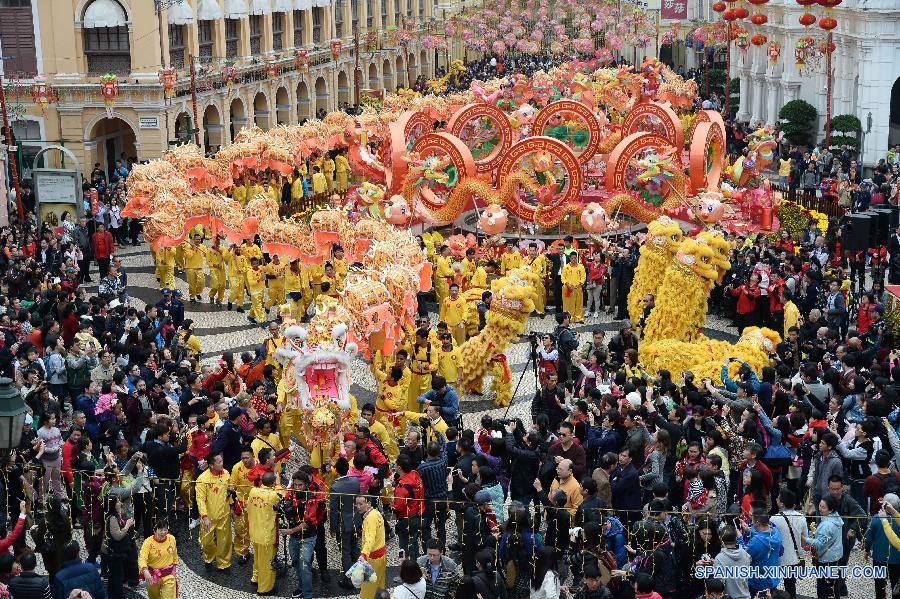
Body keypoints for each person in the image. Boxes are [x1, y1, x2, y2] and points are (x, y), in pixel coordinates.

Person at [195, 453, 233, 572]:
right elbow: (200, 500)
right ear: (211, 465)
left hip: (224, 515)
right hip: (209, 518)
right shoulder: (203, 479)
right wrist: (204, 517)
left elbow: (229, 491)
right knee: (206, 542)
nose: (222, 463)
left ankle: (224, 563)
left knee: (225, 541)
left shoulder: (226, 474)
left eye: (222, 461)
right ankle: (209, 557)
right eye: (219, 462)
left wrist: (231, 507)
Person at [247, 471, 282, 595]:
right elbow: (282, 495)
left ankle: (256, 578)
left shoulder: (253, 491)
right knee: (267, 563)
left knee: (257, 558)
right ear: (272, 483)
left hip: (255, 532)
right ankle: (264, 588)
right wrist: (278, 484)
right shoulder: (273, 495)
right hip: (266, 535)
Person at [803, 495, 844, 599]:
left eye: (823, 507)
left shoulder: (827, 525)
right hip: (836, 556)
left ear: (830, 509)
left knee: (823, 587)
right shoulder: (836, 517)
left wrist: (805, 539)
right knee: (833, 585)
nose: (820, 508)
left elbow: (819, 543)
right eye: (820, 506)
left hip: (827, 559)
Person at [357, 493, 388, 599]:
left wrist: (363, 554)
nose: (358, 507)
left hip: (373, 559)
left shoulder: (369, 519)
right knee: (380, 587)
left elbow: (370, 539)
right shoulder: (376, 513)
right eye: (356, 504)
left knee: (367, 592)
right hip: (382, 556)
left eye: (361, 504)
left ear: (368, 503)